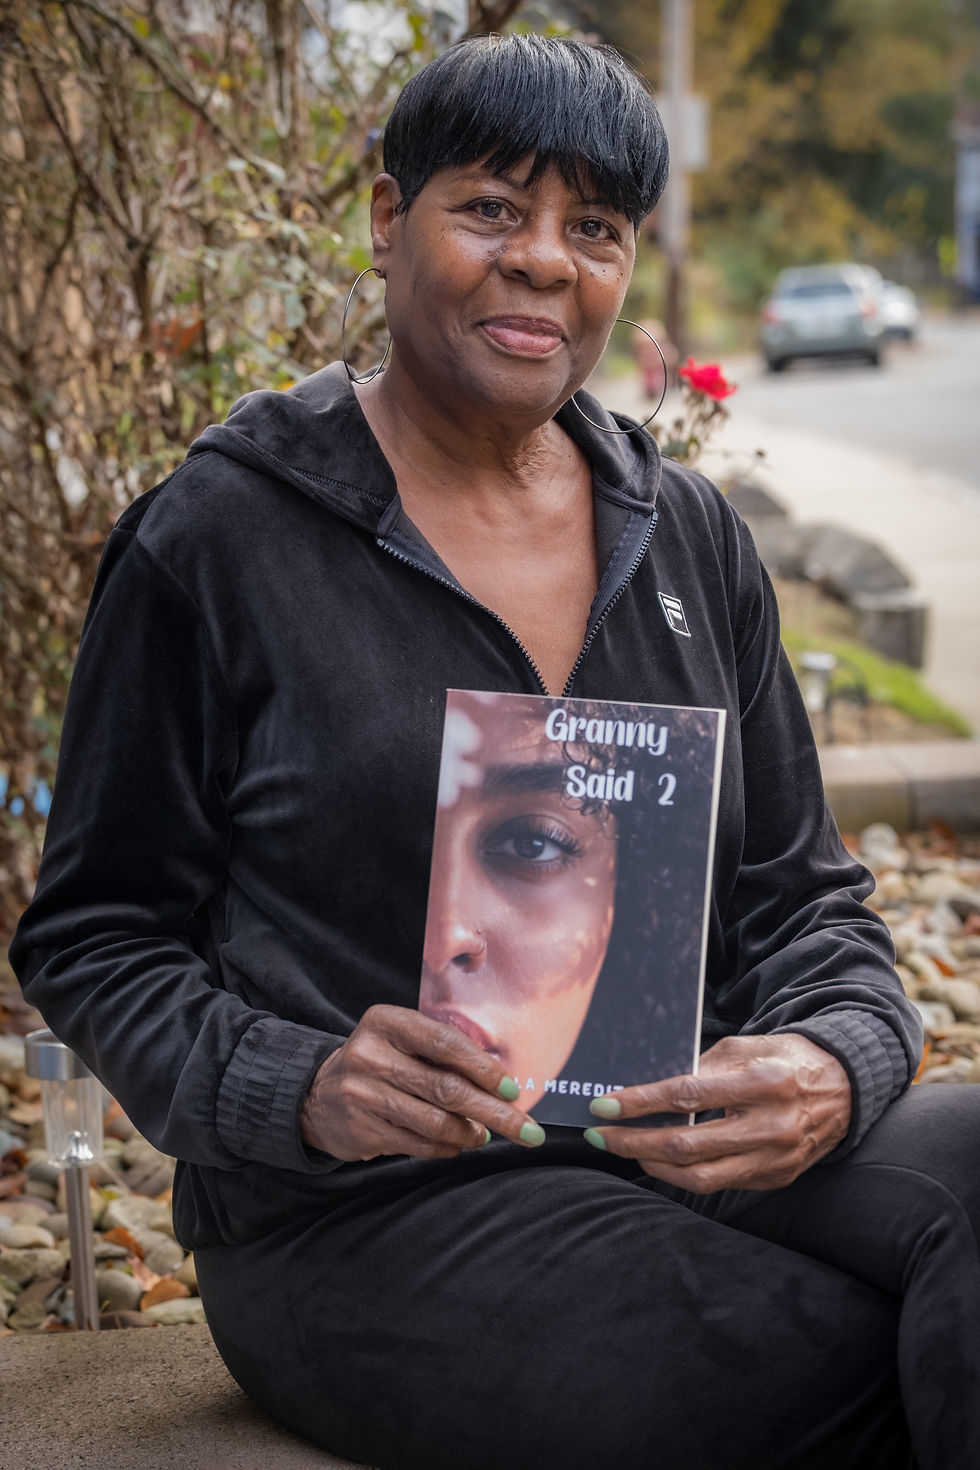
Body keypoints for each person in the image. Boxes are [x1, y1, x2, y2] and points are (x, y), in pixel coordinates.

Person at [10, 33, 980, 1470]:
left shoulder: (691, 537)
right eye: (490, 209)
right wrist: (302, 1083)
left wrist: (837, 1061)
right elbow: (95, 933)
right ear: (388, 219)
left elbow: (805, 900)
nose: (542, 261)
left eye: (591, 228)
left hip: (692, 1133)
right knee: (816, 1359)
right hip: (369, 1207)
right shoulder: (221, 536)